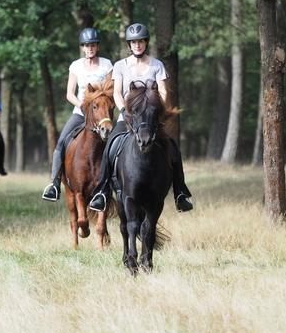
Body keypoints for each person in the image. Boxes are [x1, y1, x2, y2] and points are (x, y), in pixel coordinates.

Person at [88, 23, 193, 213]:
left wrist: (157, 110)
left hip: (150, 119)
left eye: (141, 42)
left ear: (145, 43)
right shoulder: (120, 66)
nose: (137, 45)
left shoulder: (156, 65)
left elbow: (162, 91)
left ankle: (180, 193)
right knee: (110, 147)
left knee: (173, 147)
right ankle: (102, 191)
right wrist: (123, 111)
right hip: (127, 118)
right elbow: (118, 93)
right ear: (130, 44)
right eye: (134, 42)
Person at [42, 28, 114, 201]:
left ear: (98, 46)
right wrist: (81, 105)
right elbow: (69, 93)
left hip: (102, 114)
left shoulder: (107, 64)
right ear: (83, 47)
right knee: (61, 142)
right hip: (80, 113)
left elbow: (110, 90)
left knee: (119, 140)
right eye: (87, 45)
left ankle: (117, 184)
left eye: (93, 45)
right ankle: (54, 184)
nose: (90, 48)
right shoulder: (75, 66)